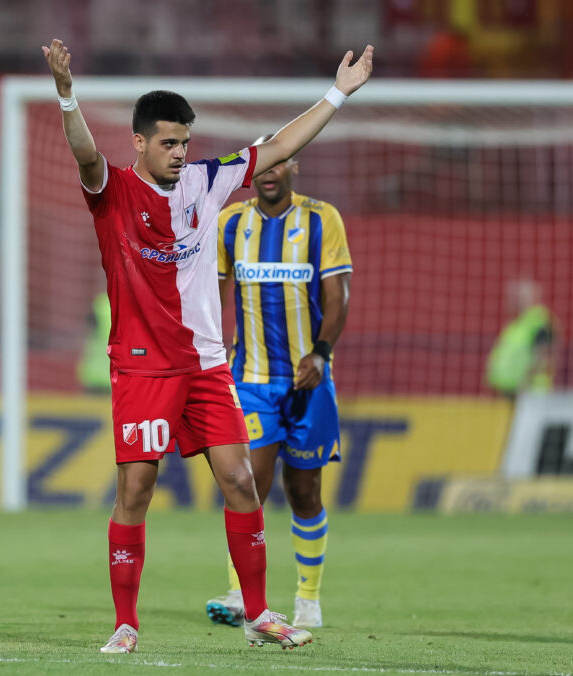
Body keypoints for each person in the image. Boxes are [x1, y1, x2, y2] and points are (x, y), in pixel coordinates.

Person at [42, 37, 373, 653]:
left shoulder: (208, 180)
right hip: (143, 370)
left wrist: (338, 93)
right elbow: (85, 154)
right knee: (135, 491)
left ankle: (258, 614)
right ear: (139, 142)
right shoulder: (112, 192)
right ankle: (125, 623)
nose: (179, 153)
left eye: (185, 142)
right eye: (168, 142)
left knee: (241, 481)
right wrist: (67, 95)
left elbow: (280, 146)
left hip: (207, 368)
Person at [204, 138, 351, 631]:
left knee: (304, 491)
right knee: (246, 484)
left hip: (309, 382)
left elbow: (338, 295)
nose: (269, 172)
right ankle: (239, 593)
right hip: (251, 382)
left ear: (294, 166)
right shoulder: (230, 223)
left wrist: (321, 352)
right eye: (262, 163)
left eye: (279, 161)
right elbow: (211, 296)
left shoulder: (322, 220)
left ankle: (308, 598)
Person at [485, 278, 556, 397]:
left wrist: (526, 382)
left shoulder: (537, 321)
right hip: (510, 391)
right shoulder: (516, 324)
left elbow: (544, 356)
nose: (511, 300)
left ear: (530, 298)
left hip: (529, 392)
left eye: (517, 296)